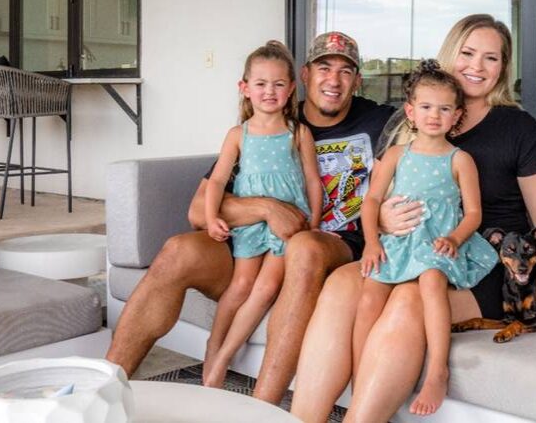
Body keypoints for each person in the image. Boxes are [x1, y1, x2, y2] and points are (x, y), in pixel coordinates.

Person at [292, 14, 536, 423]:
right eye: (467, 53)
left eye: (491, 58)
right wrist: (380, 223)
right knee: (343, 285)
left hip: (481, 266)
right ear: (449, 56)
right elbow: (380, 193)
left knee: (407, 301)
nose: (476, 66)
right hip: (409, 248)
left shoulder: (518, 127)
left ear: (504, 68)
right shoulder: (407, 124)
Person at [105, 31, 396, 405]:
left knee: (304, 247)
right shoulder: (265, 123)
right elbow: (198, 210)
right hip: (253, 245)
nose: (334, 80)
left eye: (345, 72)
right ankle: (105, 388)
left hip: (332, 246)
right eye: (325, 68)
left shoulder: (380, 121)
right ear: (305, 77)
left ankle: (261, 409)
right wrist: (265, 207)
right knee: (179, 249)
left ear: (357, 80)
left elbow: (437, 123)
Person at [355, 60, 498, 417]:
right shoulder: (396, 154)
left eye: (445, 109)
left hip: (437, 242)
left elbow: (474, 213)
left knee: (432, 281)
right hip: (398, 242)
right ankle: (360, 381)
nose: (435, 115)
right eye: (426, 107)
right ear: (411, 112)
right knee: (369, 296)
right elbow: (371, 201)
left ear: (456, 116)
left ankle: (438, 370)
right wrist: (372, 242)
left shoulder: (459, 159)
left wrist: (455, 238)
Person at [201, 41, 322, 387]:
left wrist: (311, 224)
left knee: (266, 287)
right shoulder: (238, 135)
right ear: (245, 88)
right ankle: (214, 346)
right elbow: (218, 181)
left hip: (289, 225)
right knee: (240, 285)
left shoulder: (298, 132)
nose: (270, 91)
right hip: (251, 224)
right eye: (261, 83)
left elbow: (313, 181)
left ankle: (223, 361)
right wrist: (212, 218)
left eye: (279, 84)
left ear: (291, 89)